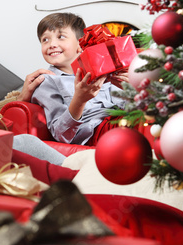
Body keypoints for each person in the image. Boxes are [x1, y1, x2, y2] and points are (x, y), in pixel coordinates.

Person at [31, 12, 129, 146]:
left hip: (121, 118)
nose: (52, 44)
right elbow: (61, 134)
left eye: (61, 37)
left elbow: (126, 105)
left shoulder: (100, 70)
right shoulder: (46, 81)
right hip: (97, 131)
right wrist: (79, 99)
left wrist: (133, 90)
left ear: (80, 44)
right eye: (45, 40)